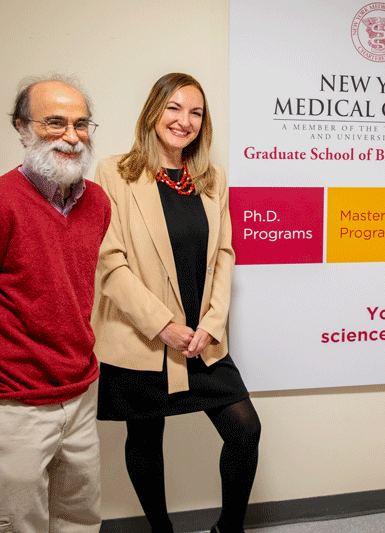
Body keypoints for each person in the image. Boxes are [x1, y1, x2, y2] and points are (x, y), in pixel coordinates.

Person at [0, 76, 111, 532]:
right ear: (21, 127)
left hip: (79, 393)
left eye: (80, 123)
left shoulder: (98, 204)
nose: (71, 136)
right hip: (12, 403)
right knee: (15, 526)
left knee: (80, 519)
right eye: (55, 123)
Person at [93, 73, 261, 533]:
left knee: (245, 429)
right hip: (141, 337)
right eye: (174, 108)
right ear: (153, 111)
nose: (184, 121)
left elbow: (224, 254)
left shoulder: (211, 179)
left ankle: (229, 529)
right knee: (145, 436)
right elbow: (109, 261)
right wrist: (161, 324)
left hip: (201, 337)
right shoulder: (114, 173)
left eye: (196, 112)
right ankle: (161, 531)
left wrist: (212, 322)